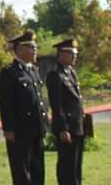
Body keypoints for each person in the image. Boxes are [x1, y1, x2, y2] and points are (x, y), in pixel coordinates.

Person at [0, 31, 49, 185]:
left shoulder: (33, 70)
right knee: (22, 172)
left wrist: (45, 120)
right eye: (31, 47)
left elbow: (38, 99)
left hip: (36, 128)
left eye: (35, 47)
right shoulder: (10, 72)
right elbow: (6, 102)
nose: (35, 50)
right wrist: (8, 129)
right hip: (20, 131)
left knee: (38, 170)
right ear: (19, 50)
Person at [46, 38, 85, 185]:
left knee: (76, 164)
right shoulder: (55, 74)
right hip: (67, 126)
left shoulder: (71, 72)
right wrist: (63, 128)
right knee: (67, 165)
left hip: (77, 125)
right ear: (61, 54)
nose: (75, 56)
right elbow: (57, 105)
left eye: (76, 54)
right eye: (71, 53)